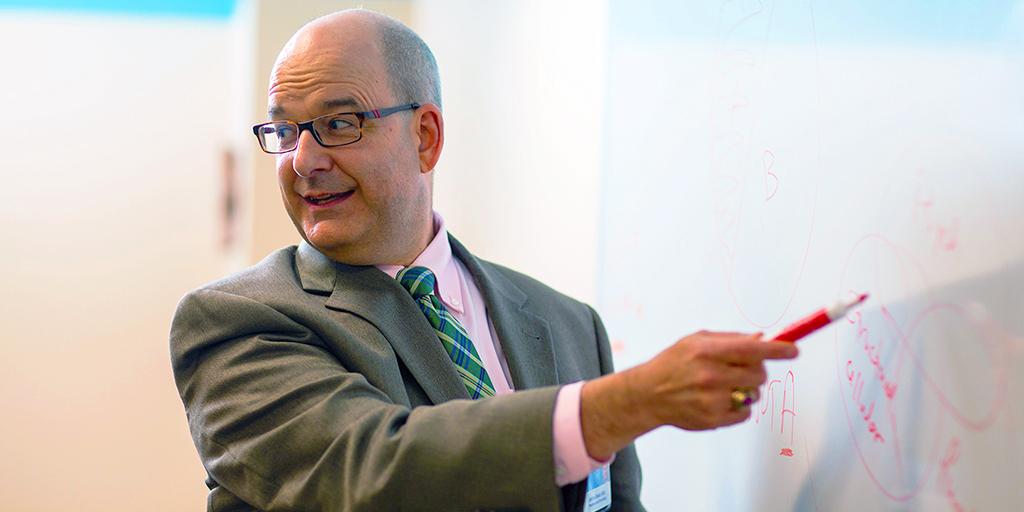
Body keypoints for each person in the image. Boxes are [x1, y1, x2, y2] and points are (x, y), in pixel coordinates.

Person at [169, 9, 799, 512]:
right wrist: (621, 405)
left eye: (339, 123)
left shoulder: (568, 323)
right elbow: (374, 473)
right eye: (284, 132)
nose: (303, 161)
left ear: (426, 136)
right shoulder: (234, 322)